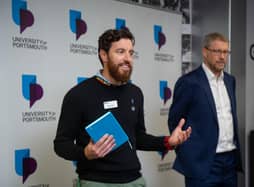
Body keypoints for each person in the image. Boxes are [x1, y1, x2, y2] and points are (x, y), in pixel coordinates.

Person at [53, 28, 191, 187]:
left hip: (134, 181)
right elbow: (61, 144)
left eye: (131, 53)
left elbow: (138, 137)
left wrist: (168, 141)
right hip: (96, 182)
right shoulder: (79, 94)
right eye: (120, 52)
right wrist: (85, 153)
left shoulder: (135, 93)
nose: (128, 59)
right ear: (103, 55)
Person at [168, 32, 242, 187]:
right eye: (217, 51)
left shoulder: (230, 81)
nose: (222, 56)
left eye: (225, 52)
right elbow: (175, 122)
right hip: (202, 164)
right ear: (205, 52)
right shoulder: (188, 82)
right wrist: (190, 157)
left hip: (229, 161)